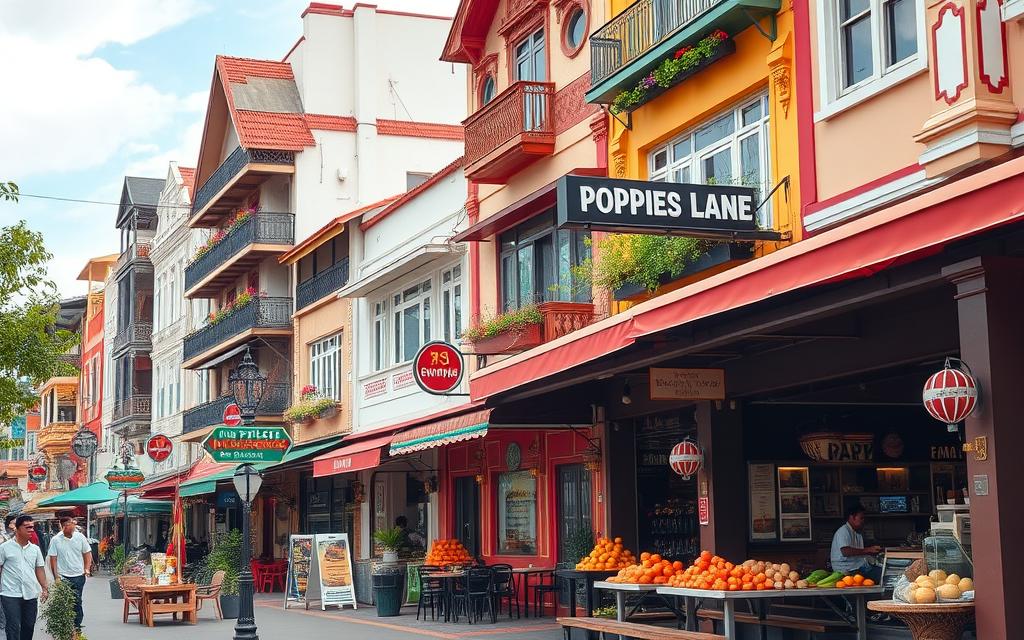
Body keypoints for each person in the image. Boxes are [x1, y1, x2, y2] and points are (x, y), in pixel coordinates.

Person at [0, 515, 48, 640]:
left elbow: (40, 569)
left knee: (29, 625)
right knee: (13, 627)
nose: (31, 530)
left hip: (30, 593)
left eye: (32, 527)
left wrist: (45, 588)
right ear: (17, 528)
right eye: (27, 527)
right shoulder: (4, 548)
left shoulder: (35, 549)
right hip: (10, 594)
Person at [47, 517, 91, 635]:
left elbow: (87, 553)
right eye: (70, 524)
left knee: (77, 601)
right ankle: (65, 627)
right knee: (64, 602)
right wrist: (56, 576)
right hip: (63, 576)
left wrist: (86, 568)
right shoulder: (55, 540)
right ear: (64, 526)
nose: (73, 526)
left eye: (73, 524)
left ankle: (76, 628)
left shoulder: (80, 537)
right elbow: (53, 559)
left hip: (78, 575)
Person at [830, 504, 883, 582]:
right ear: (852, 517)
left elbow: (860, 552)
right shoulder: (843, 531)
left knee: (882, 571)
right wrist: (868, 550)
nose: (863, 521)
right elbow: (846, 551)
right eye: (861, 518)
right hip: (847, 569)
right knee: (881, 575)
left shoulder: (856, 532)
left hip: (856, 566)